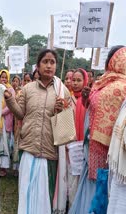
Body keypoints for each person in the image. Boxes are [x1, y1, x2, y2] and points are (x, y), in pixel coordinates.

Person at [4, 49, 70, 214]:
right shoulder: (27, 89)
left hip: (49, 152)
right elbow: (20, 114)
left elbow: (66, 126)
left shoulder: (62, 91)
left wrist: (62, 110)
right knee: (27, 193)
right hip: (29, 150)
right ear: (38, 65)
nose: (49, 65)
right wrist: (10, 99)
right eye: (45, 62)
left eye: (52, 62)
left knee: (44, 197)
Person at [70, 45, 126, 213]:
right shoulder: (104, 83)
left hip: (108, 152)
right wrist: (87, 98)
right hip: (98, 149)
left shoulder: (112, 85)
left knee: (103, 190)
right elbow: (91, 108)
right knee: (100, 191)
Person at [67, 68, 88, 208]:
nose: (75, 83)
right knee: (71, 176)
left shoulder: (88, 100)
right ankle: (72, 204)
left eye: (79, 80)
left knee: (82, 176)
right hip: (71, 144)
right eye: (73, 80)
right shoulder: (68, 99)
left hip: (84, 146)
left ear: (85, 81)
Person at [0, 69, 15, 177]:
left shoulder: (10, 90)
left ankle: (4, 168)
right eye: (2, 77)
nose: (3, 79)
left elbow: (11, 105)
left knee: (5, 144)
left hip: (6, 120)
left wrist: (0, 112)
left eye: (5, 77)